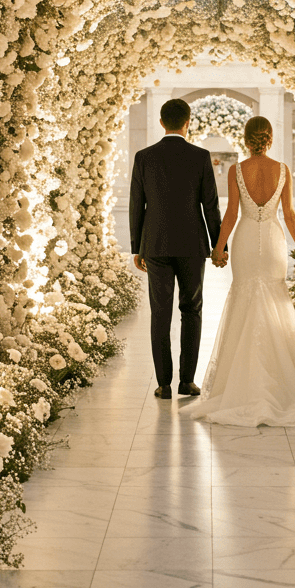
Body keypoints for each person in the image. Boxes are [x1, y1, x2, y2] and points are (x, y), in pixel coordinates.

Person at [185, 115, 295, 426]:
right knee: (274, 302)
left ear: (246, 139)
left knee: (245, 299)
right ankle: (282, 386)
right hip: (272, 241)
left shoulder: (236, 170)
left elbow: (231, 213)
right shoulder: (282, 170)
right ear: (269, 138)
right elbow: (290, 214)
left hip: (244, 240)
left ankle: (239, 385)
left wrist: (218, 248)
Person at [129, 98, 222, 400]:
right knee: (192, 310)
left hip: (155, 244)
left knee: (160, 313)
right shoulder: (200, 156)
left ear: (161, 123)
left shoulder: (144, 157)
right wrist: (218, 245)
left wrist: (137, 247)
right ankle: (187, 381)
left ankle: (163, 384)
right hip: (192, 245)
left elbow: (136, 205)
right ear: (187, 122)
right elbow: (210, 205)